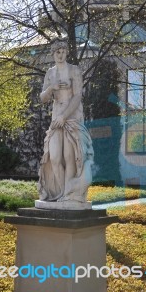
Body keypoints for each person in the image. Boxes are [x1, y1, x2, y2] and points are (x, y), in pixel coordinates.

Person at [37, 37, 94, 204]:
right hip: (56, 120)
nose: (60, 55)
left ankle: (68, 196)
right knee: (54, 157)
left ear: (67, 53)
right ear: (53, 54)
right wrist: (51, 88)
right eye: (57, 52)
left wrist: (64, 116)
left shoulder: (74, 70)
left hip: (71, 118)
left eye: (63, 52)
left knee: (70, 156)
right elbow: (43, 98)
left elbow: (77, 97)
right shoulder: (50, 72)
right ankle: (62, 193)